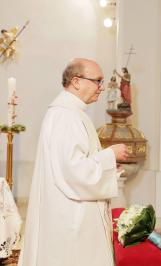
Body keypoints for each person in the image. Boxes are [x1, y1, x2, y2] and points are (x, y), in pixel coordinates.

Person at [18, 58, 129, 266]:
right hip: (71, 215)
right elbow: (74, 170)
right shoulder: (66, 116)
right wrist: (110, 155)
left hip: (70, 208)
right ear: (76, 81)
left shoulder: (70, 113)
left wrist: (108, 165)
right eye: (97, 81)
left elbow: (74, 162)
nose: (102, 87)